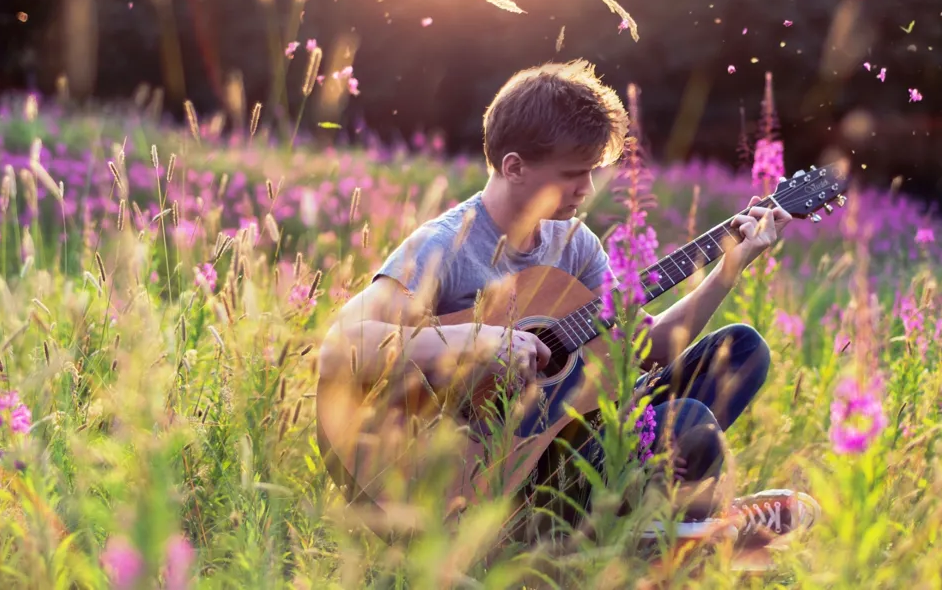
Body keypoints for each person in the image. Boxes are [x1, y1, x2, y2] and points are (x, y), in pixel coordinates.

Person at [317, 59, 819, 546]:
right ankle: (678, 527)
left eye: (594, 171)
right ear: (514, 166)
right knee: (687, 424)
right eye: (573, 174)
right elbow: (346, 344)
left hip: (576, 448)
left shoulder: (574, 245)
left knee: (740, 349)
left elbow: (646, 350)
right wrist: (479, 339)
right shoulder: (446, 245)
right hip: (488, 480)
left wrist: (729, 268)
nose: (587, 189)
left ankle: (660, 523)